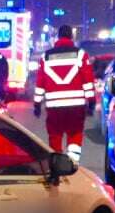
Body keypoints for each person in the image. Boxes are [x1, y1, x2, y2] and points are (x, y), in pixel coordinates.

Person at [33, 24, 95, 163]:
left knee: (55, 135)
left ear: (58, 37)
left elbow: (40, 83)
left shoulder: (46, 57)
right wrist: (91, 101)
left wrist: (37, 104)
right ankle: (72, 164)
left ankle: (56, 165)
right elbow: (88, 81)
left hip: (54, 107)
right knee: (75, 134)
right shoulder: (80, 55)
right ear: (71, 37)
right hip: (76, 106)